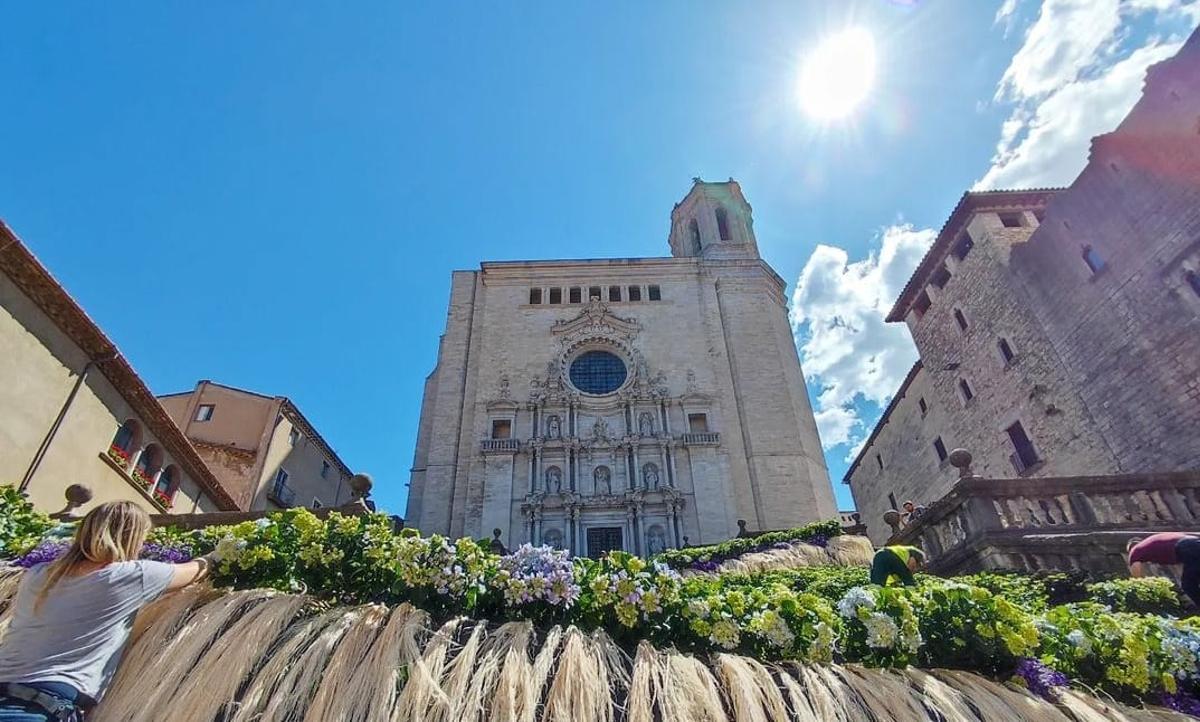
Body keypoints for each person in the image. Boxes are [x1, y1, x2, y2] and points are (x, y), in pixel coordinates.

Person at [0, 501, 213, 721]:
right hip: (37, 710)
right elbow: (195, 571)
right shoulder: (127, 576)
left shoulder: (36, 575)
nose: (142, 545)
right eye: (143, 537)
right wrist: (218, 555)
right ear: (131, 537)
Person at [1127, 532, 1200, 606]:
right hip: (1194, 542)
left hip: (1186, 547)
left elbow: (1137, 579)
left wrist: (1142, 590)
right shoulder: (1151, 544)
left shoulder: (1135, 550)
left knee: (1188, 585)